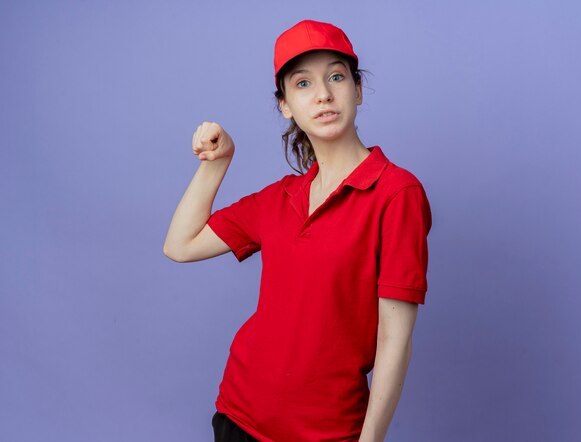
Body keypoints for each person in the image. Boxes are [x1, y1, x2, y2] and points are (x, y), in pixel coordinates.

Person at [163, 19, 432, 442]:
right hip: (239, 415)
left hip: (326, 431)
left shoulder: (397, 193)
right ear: (285, 104)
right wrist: (216, 164)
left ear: (358, 90)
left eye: (336, 76)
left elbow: (394, 340)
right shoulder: (280, 198)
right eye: (302, 83)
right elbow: (179, 245)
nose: (323, 94)